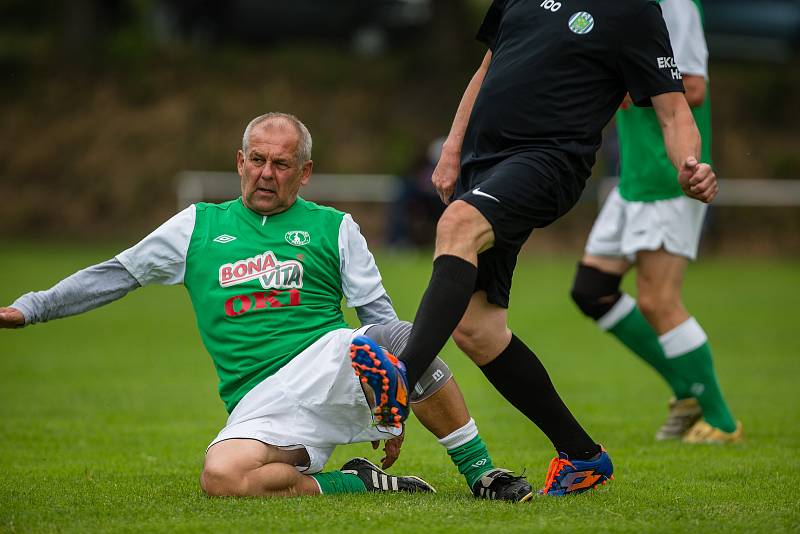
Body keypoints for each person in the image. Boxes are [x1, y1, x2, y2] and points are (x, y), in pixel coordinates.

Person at [0, 113, 533, 501]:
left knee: (397, 336)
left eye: (281, 164)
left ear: (304, 173)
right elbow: (115, 275)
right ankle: (352, 481)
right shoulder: (196, 226)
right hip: (258, 400)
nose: (265, 173)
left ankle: (483, 473)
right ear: (240, 162)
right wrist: (32, 308)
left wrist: (395, 393)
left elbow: (378, 317)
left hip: (333, 364)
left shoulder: (334, 227)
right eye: (257, 160)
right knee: (222, 478)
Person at [349, 1, 719, 496]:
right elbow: (487, 68)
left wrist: (689, 164)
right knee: (477, 329)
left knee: (459, 225)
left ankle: (401, 377)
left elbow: (674, 110)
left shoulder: (633, 10)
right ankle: (583, 455)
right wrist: (453, 149)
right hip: (485, 164)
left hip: (550, 162)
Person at [570, 0, 741, 443]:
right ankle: (687, 390)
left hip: (670, 176)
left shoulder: (675, 5)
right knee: (592, 290)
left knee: (658, 300)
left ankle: (721, 420)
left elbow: (696, 88)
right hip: (635, 179)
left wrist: (624, 79)